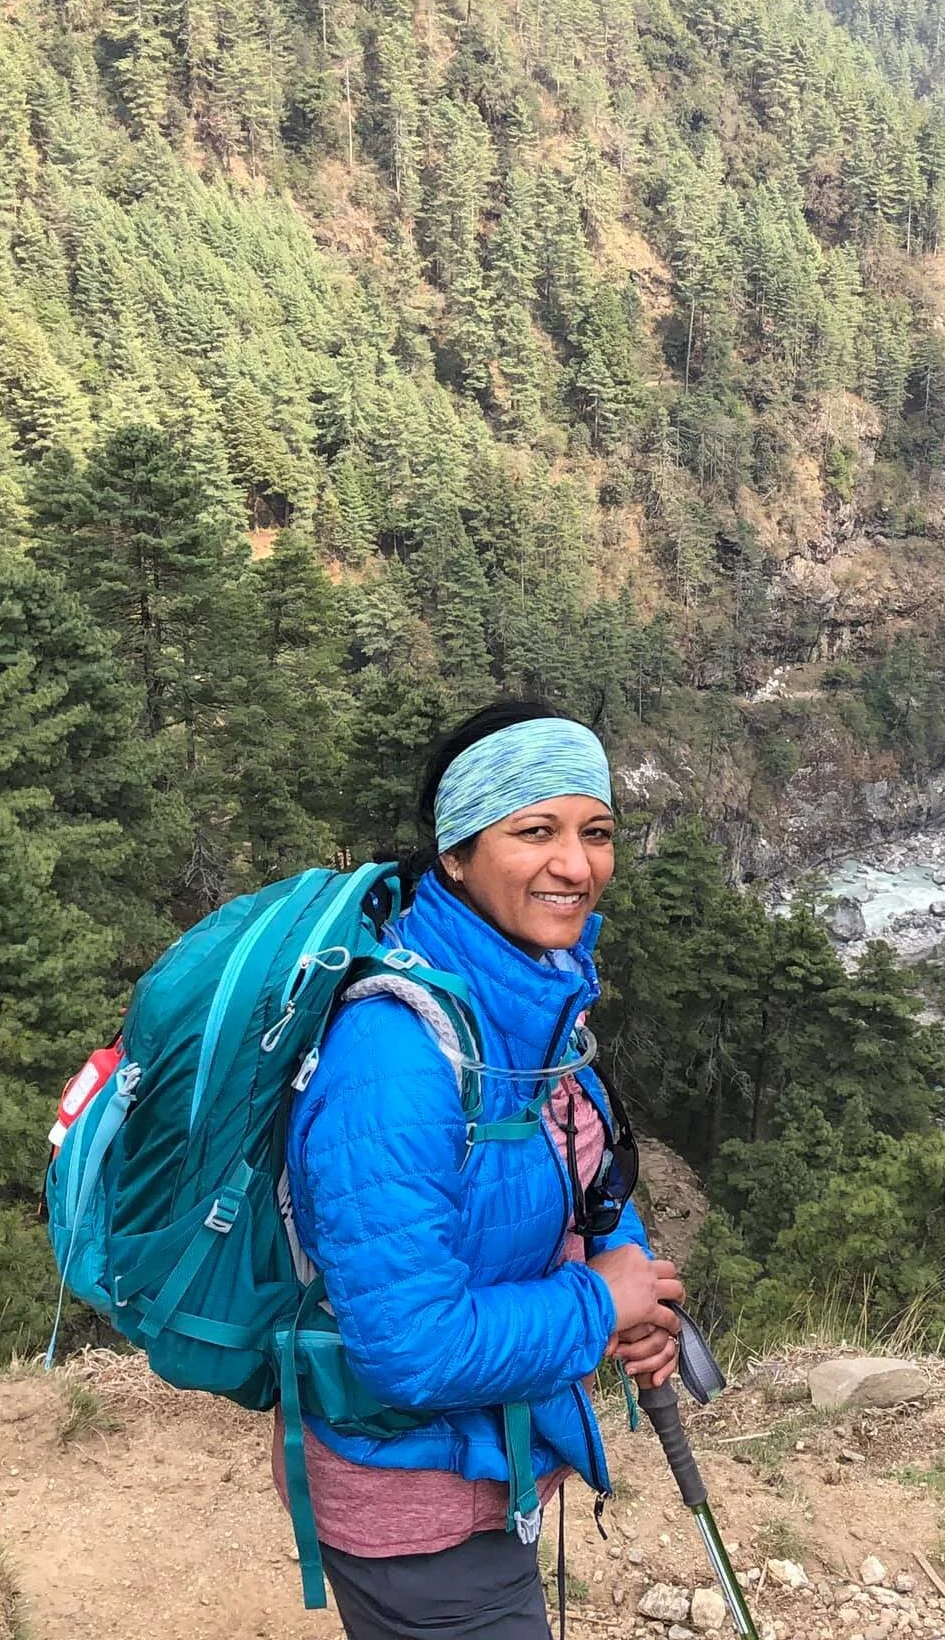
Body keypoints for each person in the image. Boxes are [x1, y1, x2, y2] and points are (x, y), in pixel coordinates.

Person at [278, 701, 684, 1639]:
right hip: (414, 1508)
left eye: (598, 832)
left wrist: (636, 1295)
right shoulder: (396, 1056)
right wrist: (597, 1308)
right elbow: (409, 1347)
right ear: (456, 854)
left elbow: (589, 1171)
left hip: (487, 1469)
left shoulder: (534, 1001)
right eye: (534, 831)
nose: (577, 865)